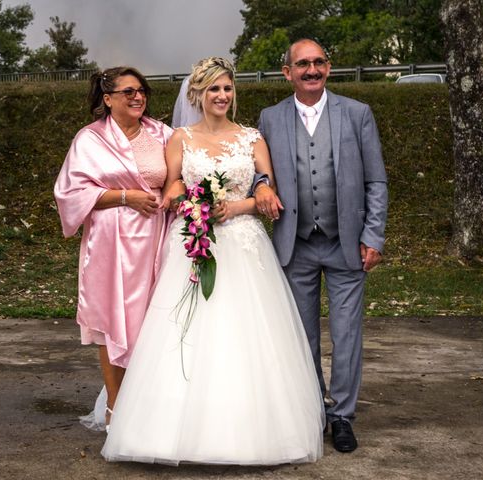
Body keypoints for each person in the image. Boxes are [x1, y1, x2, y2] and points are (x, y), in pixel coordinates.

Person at [101, 57, 324, 465]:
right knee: (182, 332)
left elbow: (264, 188)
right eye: (213, 90)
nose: (222, 96)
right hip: (192, 241)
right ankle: (165, 432)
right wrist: (184, 198)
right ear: (197, 95)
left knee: (245, 332)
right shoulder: (180, 138)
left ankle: (250, 432)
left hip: (243, 243)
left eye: (227, 89)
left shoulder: (252, 137)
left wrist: (236, 207)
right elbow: (174, 182)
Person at [255, 38, 388, 453]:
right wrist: (261, 186)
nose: (311, 70)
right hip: (295, 243)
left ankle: (342, 415)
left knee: (347, 334)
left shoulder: (356, 113)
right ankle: (312, 410)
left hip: (346, 242)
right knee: (302, 337)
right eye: (302, 64)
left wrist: (373, 234)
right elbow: (258, 170)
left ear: (328, 67)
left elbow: (376, 180)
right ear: (287, 72)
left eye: (318, 62)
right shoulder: (270, 118)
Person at [53, 66, 173, 431]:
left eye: (142, 90)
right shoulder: (89, 139)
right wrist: (125, 196)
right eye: (128, 92)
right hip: (111, 241)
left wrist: (171, 195)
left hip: (156, 236)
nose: (138, 97)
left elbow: (181, 175)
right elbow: (69, 192)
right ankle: (115, 406)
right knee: (112, 320)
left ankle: (153, 402)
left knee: (156, 319)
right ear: (108, 99)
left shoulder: (163, 134)